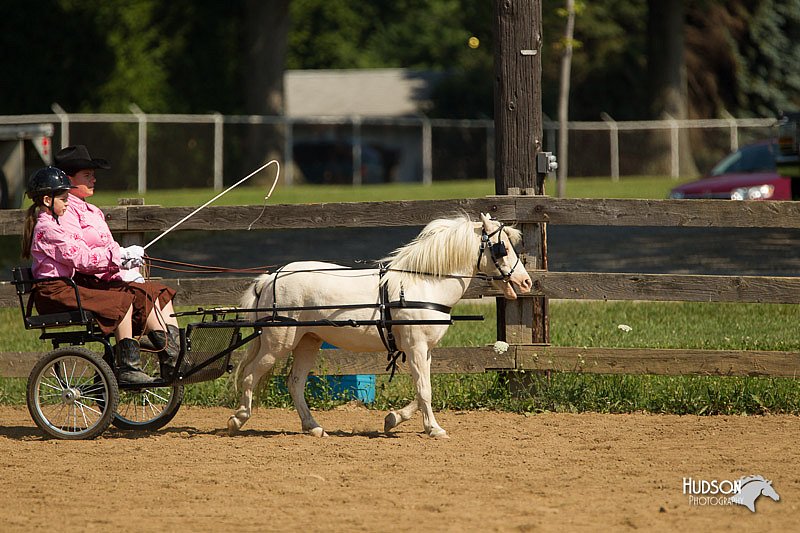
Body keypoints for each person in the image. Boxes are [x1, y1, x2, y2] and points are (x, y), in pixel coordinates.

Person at [52, 145, 182, 381]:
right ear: (69, 179)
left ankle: (174, 356)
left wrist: (127, 262)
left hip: (107, 276)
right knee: (136, 297)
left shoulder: (94, 211)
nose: (94, 179)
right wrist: (117, 259)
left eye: (93, 174)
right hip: (89, 281)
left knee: (158, 292)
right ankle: (134, 365)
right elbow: (78, 256)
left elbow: (109, 246)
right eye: (87, 175)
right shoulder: (66, 213)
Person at [21, 166, 154, 385]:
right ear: (47, 200)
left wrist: (119, 261)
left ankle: (126, 364)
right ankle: (127, 367)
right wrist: (117, 256)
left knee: (124, 299)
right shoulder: (48, 228)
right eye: (63, 198)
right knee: (121, 302)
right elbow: (80, 258)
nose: (67, 203)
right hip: (54, 293)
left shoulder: (54, 224)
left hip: (64, 287)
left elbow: (83, 253)